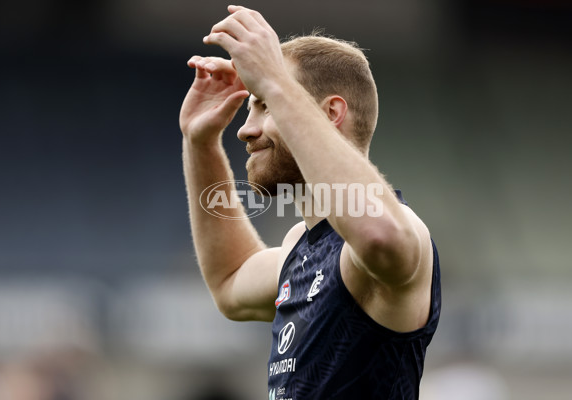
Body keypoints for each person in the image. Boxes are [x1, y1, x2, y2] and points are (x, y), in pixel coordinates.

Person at [179, 5, 441, 400]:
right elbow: (229, 282)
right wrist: (200, 142)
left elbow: (378, 235)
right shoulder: (300, 247)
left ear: (331, 113)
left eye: (264, 105)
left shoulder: (393, 234)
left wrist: (274, 82)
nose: (245, 130)